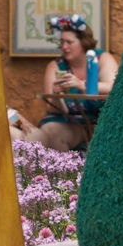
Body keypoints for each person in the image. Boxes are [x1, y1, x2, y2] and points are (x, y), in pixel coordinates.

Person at [25, 15, 115, 151]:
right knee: (51, 130)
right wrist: (56, 95)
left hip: (101, 123)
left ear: (84, 42)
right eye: (62, 42)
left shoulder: (100, 58)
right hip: (70, 123)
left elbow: (114, 88)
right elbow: (53, 110)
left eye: (69, 42)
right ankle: (61, 166)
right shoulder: (56, 66)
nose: (64, 47)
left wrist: (81, 84)